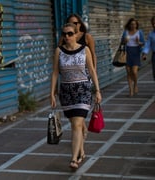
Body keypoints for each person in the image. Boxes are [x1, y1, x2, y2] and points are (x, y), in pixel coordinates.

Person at [51, 23, 102, 169]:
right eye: (64, 34)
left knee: (77, 124)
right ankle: (80, 151)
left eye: (70, 34)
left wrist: (97, 90)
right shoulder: (58, 51)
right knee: (75, 124)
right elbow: (55, 73)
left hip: (83, 90)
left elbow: (92, 71)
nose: (67, 36)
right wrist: (52, 93)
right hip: (66, 92)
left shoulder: (85, 50)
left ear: (76, 35)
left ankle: (73, 159)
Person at [59, 13, 97, 156]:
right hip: (69, 81)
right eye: (70, 23)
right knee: (76, 121)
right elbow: (60, 57)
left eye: (75, 23)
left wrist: (94, 73)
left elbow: (93, 55)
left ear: (80, 24)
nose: (73, 25)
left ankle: (76, 155)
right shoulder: (64, 38)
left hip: (85, 77)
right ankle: (81, 136)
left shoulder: (87, 38)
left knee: (78, 120)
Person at [121, 18, 145, 97]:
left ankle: (135, 84)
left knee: (134, 71)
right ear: (129, 25)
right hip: (127, 52)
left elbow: (143, 43)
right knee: (128, 72)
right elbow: (122, 42)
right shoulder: (126, 32)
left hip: (136, 52)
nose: (133, 25)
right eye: (131, 24)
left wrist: (138, 42)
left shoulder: (139, 32)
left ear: (136, 25)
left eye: (134, 24)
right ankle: (130, 90)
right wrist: (125, 41)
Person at [142, 16, 155, 81]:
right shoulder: (151, 34)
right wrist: (144, 53)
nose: (154, 25)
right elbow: (147, 45)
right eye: (153, 23)